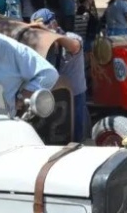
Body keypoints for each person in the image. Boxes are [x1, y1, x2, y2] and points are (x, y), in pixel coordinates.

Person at [30, 8, 88, 141]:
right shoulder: (41, 45)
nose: (40, 33)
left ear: (54, 24)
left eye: (42, 28)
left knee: (75, 132)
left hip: (74, 95)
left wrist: (51, 34)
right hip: (51, 96)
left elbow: (74, 47)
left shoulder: (72, 38)